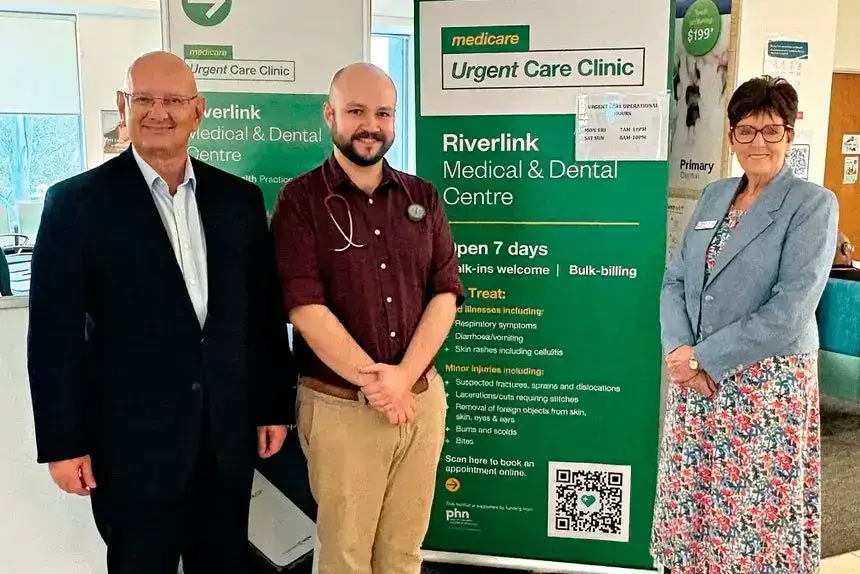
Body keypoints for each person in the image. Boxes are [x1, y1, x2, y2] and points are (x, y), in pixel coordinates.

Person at [26, 51, 293, 574]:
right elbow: (54, 338)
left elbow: (261, 317)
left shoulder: (238, 200)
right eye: (144, 99)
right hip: (129, 451)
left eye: (173, 100)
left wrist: (272, 405)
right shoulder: (75, 205)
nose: (158, 112)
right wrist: (63, 443)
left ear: (199, 111)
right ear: (124, 106)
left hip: (225, 442)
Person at [271, 62, 464, 574]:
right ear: (330, 114)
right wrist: (376, 384)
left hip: (420, 404)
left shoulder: (422, 197)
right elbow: (304, 307)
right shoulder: (299, 201)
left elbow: (445, 294)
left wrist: (403, 379)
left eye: (383, 113)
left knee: (403, 554)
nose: (370, 124)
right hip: (340, 411)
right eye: (356, 111)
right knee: (345, 558)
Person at [650, 75, 839, 573]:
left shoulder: (812, 205)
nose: (759, 142)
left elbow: (791, 310)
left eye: (771, 130)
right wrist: (678, 351)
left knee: (751, 518)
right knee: (694, 504)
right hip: (695, 381)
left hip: (763, 387)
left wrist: (703, 357)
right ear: (731, 136)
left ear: (789, 135)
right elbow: (674, 280)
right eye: (747, 130)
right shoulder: (713, 197)